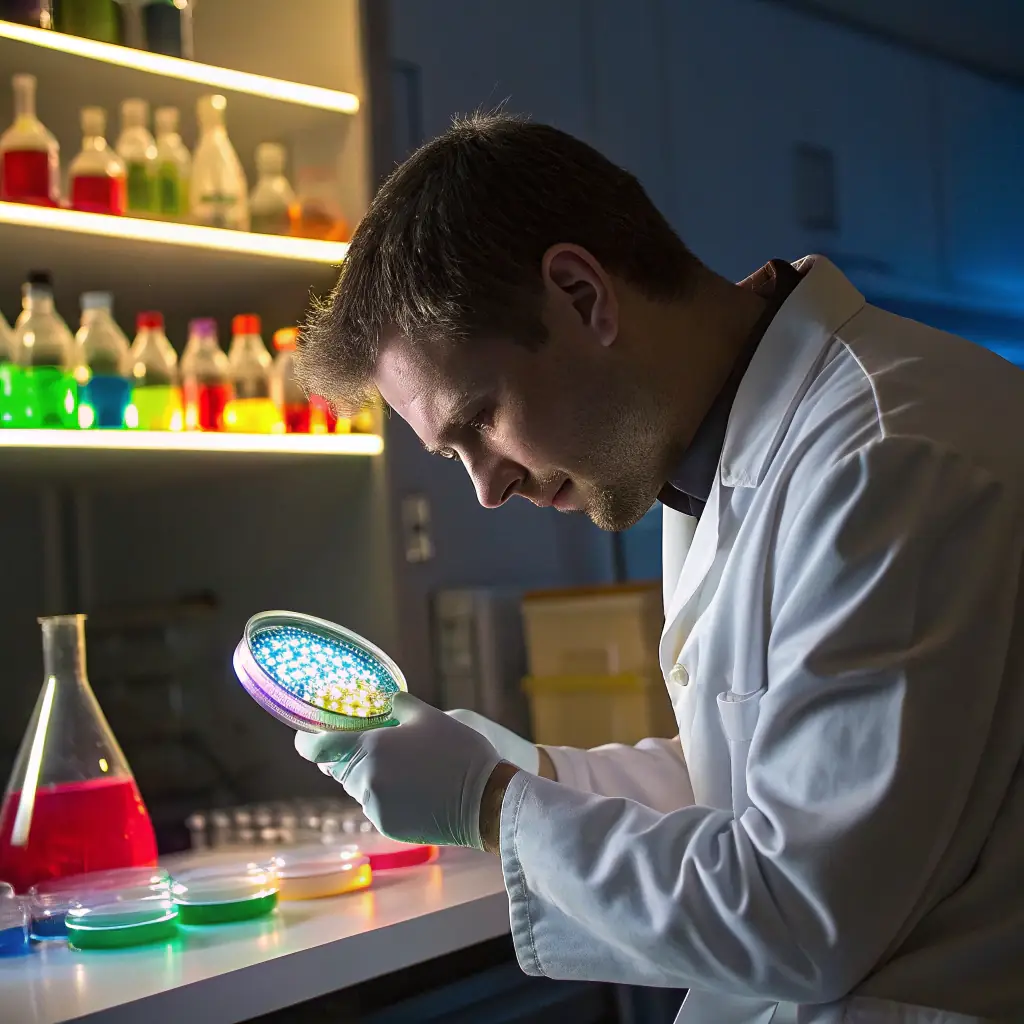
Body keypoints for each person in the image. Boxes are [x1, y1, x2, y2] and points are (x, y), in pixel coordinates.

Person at [292, 114, 1024, 1023]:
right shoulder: (714, 456)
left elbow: (802, 914)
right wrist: (518, 768)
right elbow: (751, 778)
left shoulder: (884, 454)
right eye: (454, 454)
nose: (487, 487)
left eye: (479, 417)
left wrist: (491, 804)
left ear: (582, 294)